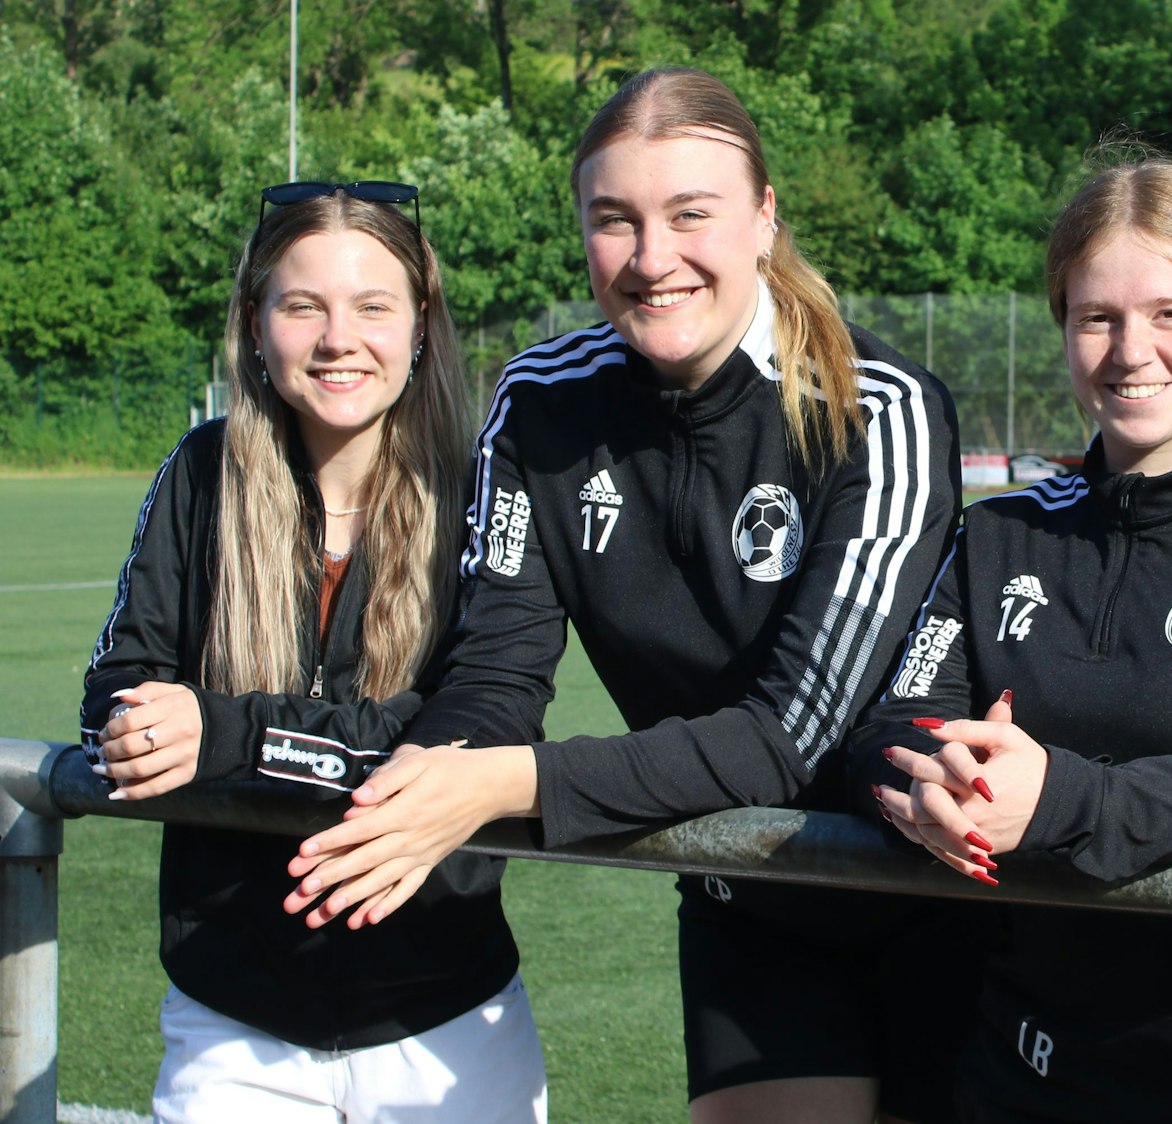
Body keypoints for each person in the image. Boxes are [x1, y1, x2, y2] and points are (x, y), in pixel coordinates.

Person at [279, 69, 962, 1123]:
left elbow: (790, 737)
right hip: (753, 899)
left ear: (764, 218)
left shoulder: (885, 408)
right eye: (615, 220)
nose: (652, 259)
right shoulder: (542, 402)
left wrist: (508, 783)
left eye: (692, 214)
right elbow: (496, 670)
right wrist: (426, 776)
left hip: (942, 906)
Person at [856, 154, 1172, 1123]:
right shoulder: (999, 528)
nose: (1131, 349)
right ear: (1063, 329)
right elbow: (891, 725)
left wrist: (1063, 797)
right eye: (1097, 316)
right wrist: (944, 781)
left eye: (1169, 312)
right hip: (1023, 1072)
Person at [79, 181, 546, 1121]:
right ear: (256, 326)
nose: (340, 338)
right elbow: (117, 695)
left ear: (421, 325)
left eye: (374, 306)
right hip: (230, 1024)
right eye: (304, 306)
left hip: (447, 1019)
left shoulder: (489, 493)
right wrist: (135, 729)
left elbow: (462, 739)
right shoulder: (202, 474)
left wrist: (228, 736)